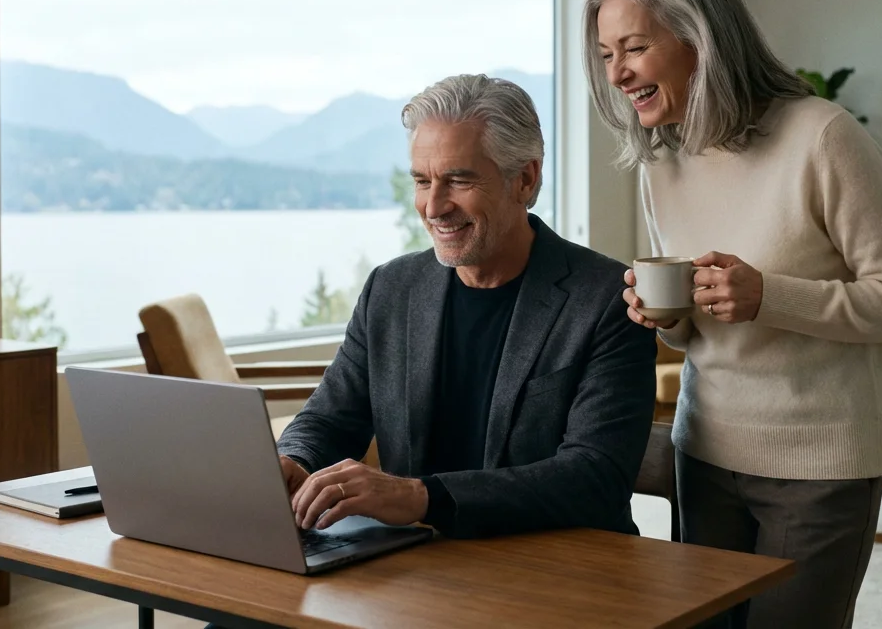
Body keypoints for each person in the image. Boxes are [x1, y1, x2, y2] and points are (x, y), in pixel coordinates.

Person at [584, 0, 882, 629]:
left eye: (634, 47)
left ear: (700, 38)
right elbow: (700, 331)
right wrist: (668, 315)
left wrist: (769, 296)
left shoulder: (822, 137)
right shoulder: (661, 161)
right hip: (705, 452)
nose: (618, 72)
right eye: (605, 55)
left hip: (822, 466)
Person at [275, 73, 657, 539]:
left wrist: (420, 497)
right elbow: (329, 418)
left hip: (558, 571)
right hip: (414, 567)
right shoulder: (390, 289)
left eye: (457, 180)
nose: (433, 207)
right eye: (421, 181)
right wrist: (295, 461)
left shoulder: (605, 300)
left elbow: (595, 477)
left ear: (525, 178)